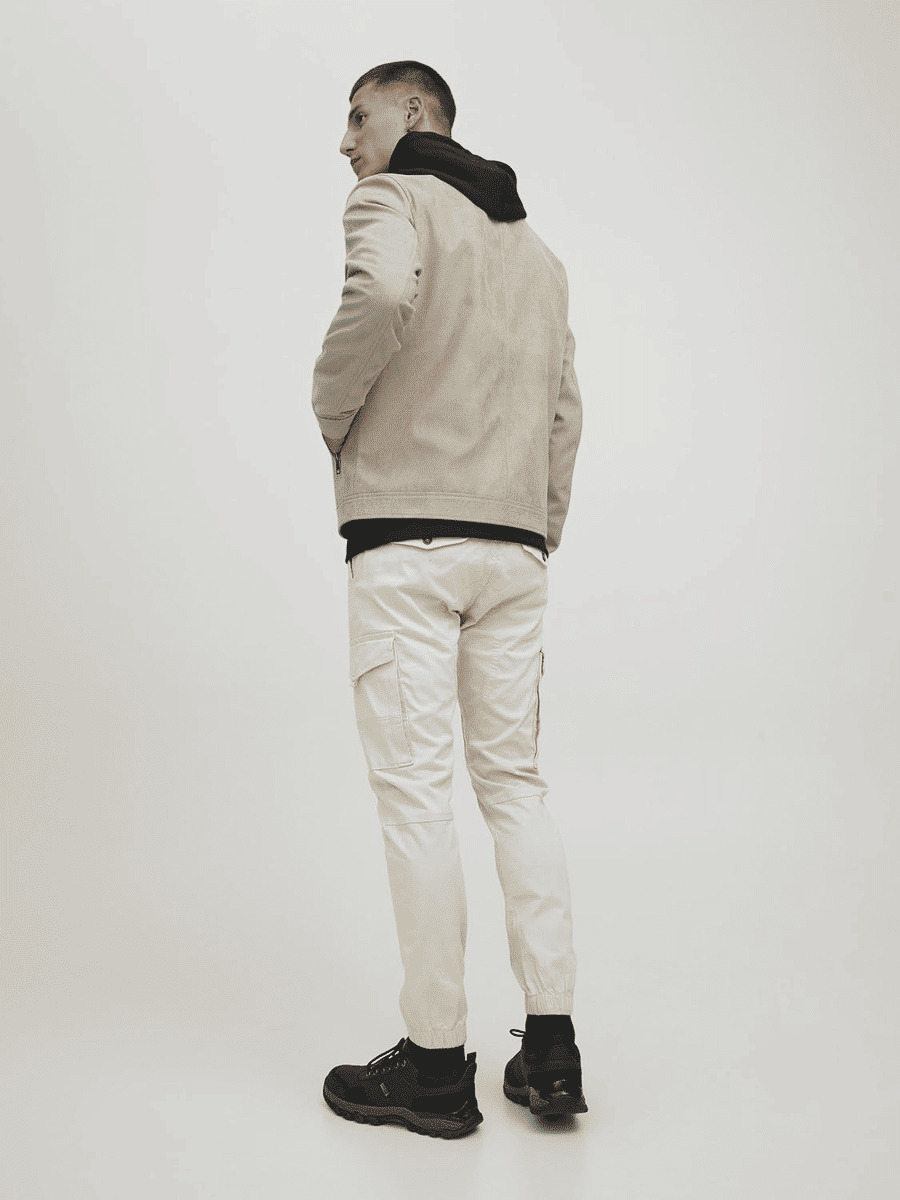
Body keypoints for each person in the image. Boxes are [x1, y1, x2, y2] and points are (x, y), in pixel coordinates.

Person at [313, 61, 587, 1138]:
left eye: (359, 115)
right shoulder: (538, 252)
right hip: (511, 554)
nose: (346, 142)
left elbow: (382, 295)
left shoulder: (391, 198)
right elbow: (565, 407)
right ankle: (552, 1049)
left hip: (409, 545)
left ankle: (433, 1069)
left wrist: (335, 419)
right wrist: (537, 524)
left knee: (419, 801)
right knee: (515, 788)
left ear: (415, 112)